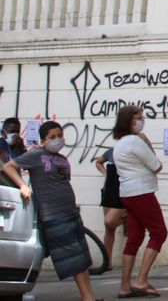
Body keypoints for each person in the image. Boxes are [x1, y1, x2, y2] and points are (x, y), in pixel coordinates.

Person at [2, 120, 102, 301]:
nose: (57, 140)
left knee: (82, 257)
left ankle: (88, 296)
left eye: (60, 136)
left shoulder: (62, 159)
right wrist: (23, 186)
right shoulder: (36, 155)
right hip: (53, 215)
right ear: (43, 140)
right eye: (52, 137)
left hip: (70, 212)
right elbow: (9, 167)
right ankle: (87, 297)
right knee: (74, 258)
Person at [112, 105, 166, 298]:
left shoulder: (119, 143)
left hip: (127, 192)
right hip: (142, 191)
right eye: (137, 117)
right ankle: (141, 279)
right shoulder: (136, 142)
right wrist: (147, 142)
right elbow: (156, 165)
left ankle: (125, 285)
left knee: (134, 237)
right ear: (128, 121)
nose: (141, 120)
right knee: (159, 232)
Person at [95, 146, 126, 272]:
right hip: (109, 192)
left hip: (124, 192)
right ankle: (107, 262)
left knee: (110, 221)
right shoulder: (112, 151)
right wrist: (105, 174)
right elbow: (98, 161)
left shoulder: (132, 150)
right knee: (109, 228)